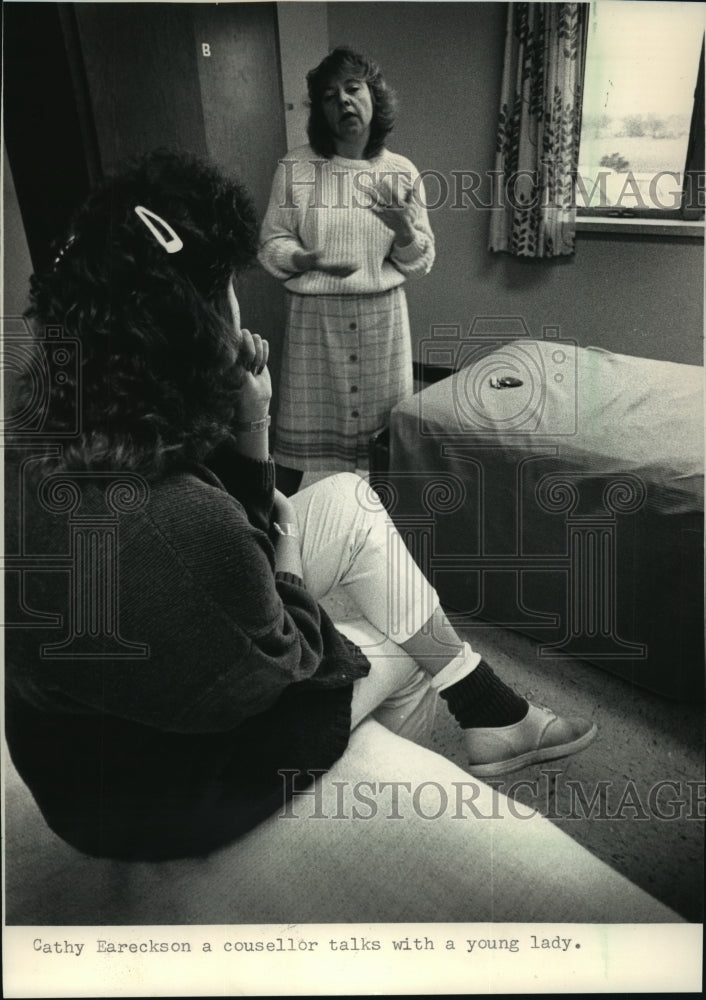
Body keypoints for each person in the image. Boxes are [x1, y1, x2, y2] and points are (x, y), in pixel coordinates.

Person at [5, 149, 597, 864]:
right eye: (224, 288)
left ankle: (488, 715)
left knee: (348, 496)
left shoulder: (55, 429)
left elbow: (224, 537)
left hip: (75, 756)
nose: (236, 308)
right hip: (150, 798)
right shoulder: (182, 527)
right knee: (407, 652)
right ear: (195, 319)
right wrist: (287, 570)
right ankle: (361, 824)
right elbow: (294, 654)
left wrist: (250, 425)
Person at [259, 46, 434, 496]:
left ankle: (385, 540)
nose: (344, 101)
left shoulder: (401, 171)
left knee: (382, 454)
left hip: (382, 324)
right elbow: (272, 243)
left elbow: (420, 261)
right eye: (330, 95)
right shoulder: (294, 167)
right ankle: (276, 536)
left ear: (374, 96)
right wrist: (302, 259)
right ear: (320, 110)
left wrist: (403, 232)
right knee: (296, 457)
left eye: (353, 89)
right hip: (314, 327)